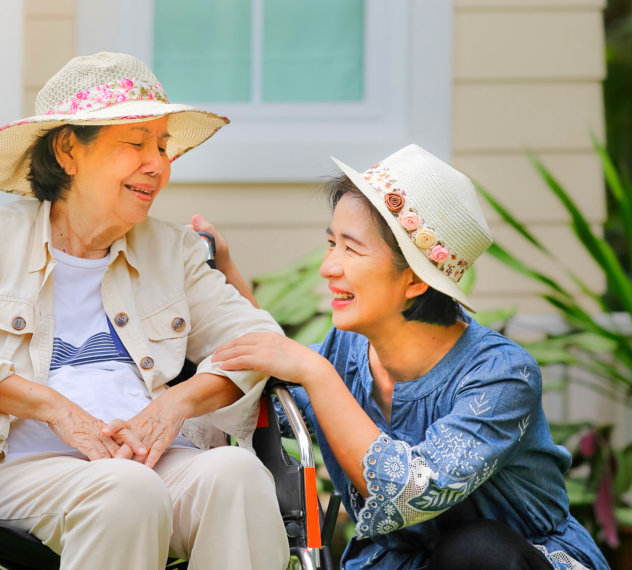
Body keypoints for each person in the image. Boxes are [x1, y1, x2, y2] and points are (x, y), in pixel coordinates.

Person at [0, 52, 289, 570]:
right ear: (69, 151)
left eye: (163, 146)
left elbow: (259, 340)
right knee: (127, 490)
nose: (158, 164)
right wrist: (52, 407)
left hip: (155, 460)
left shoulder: (174, 252)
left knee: (238, 476)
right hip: (22, 467)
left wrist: (175, 405)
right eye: (136, 143)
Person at [210, 144, 608, 569]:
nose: (328, 267)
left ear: (415, 280)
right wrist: (226, 279)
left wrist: (317, 373)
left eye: (351, 249)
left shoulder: (502, 375)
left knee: (477, 550)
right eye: (331, 243)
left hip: (511, 561)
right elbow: (278, 393)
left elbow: (413, 492)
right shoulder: (347, 350)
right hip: (402, 562)